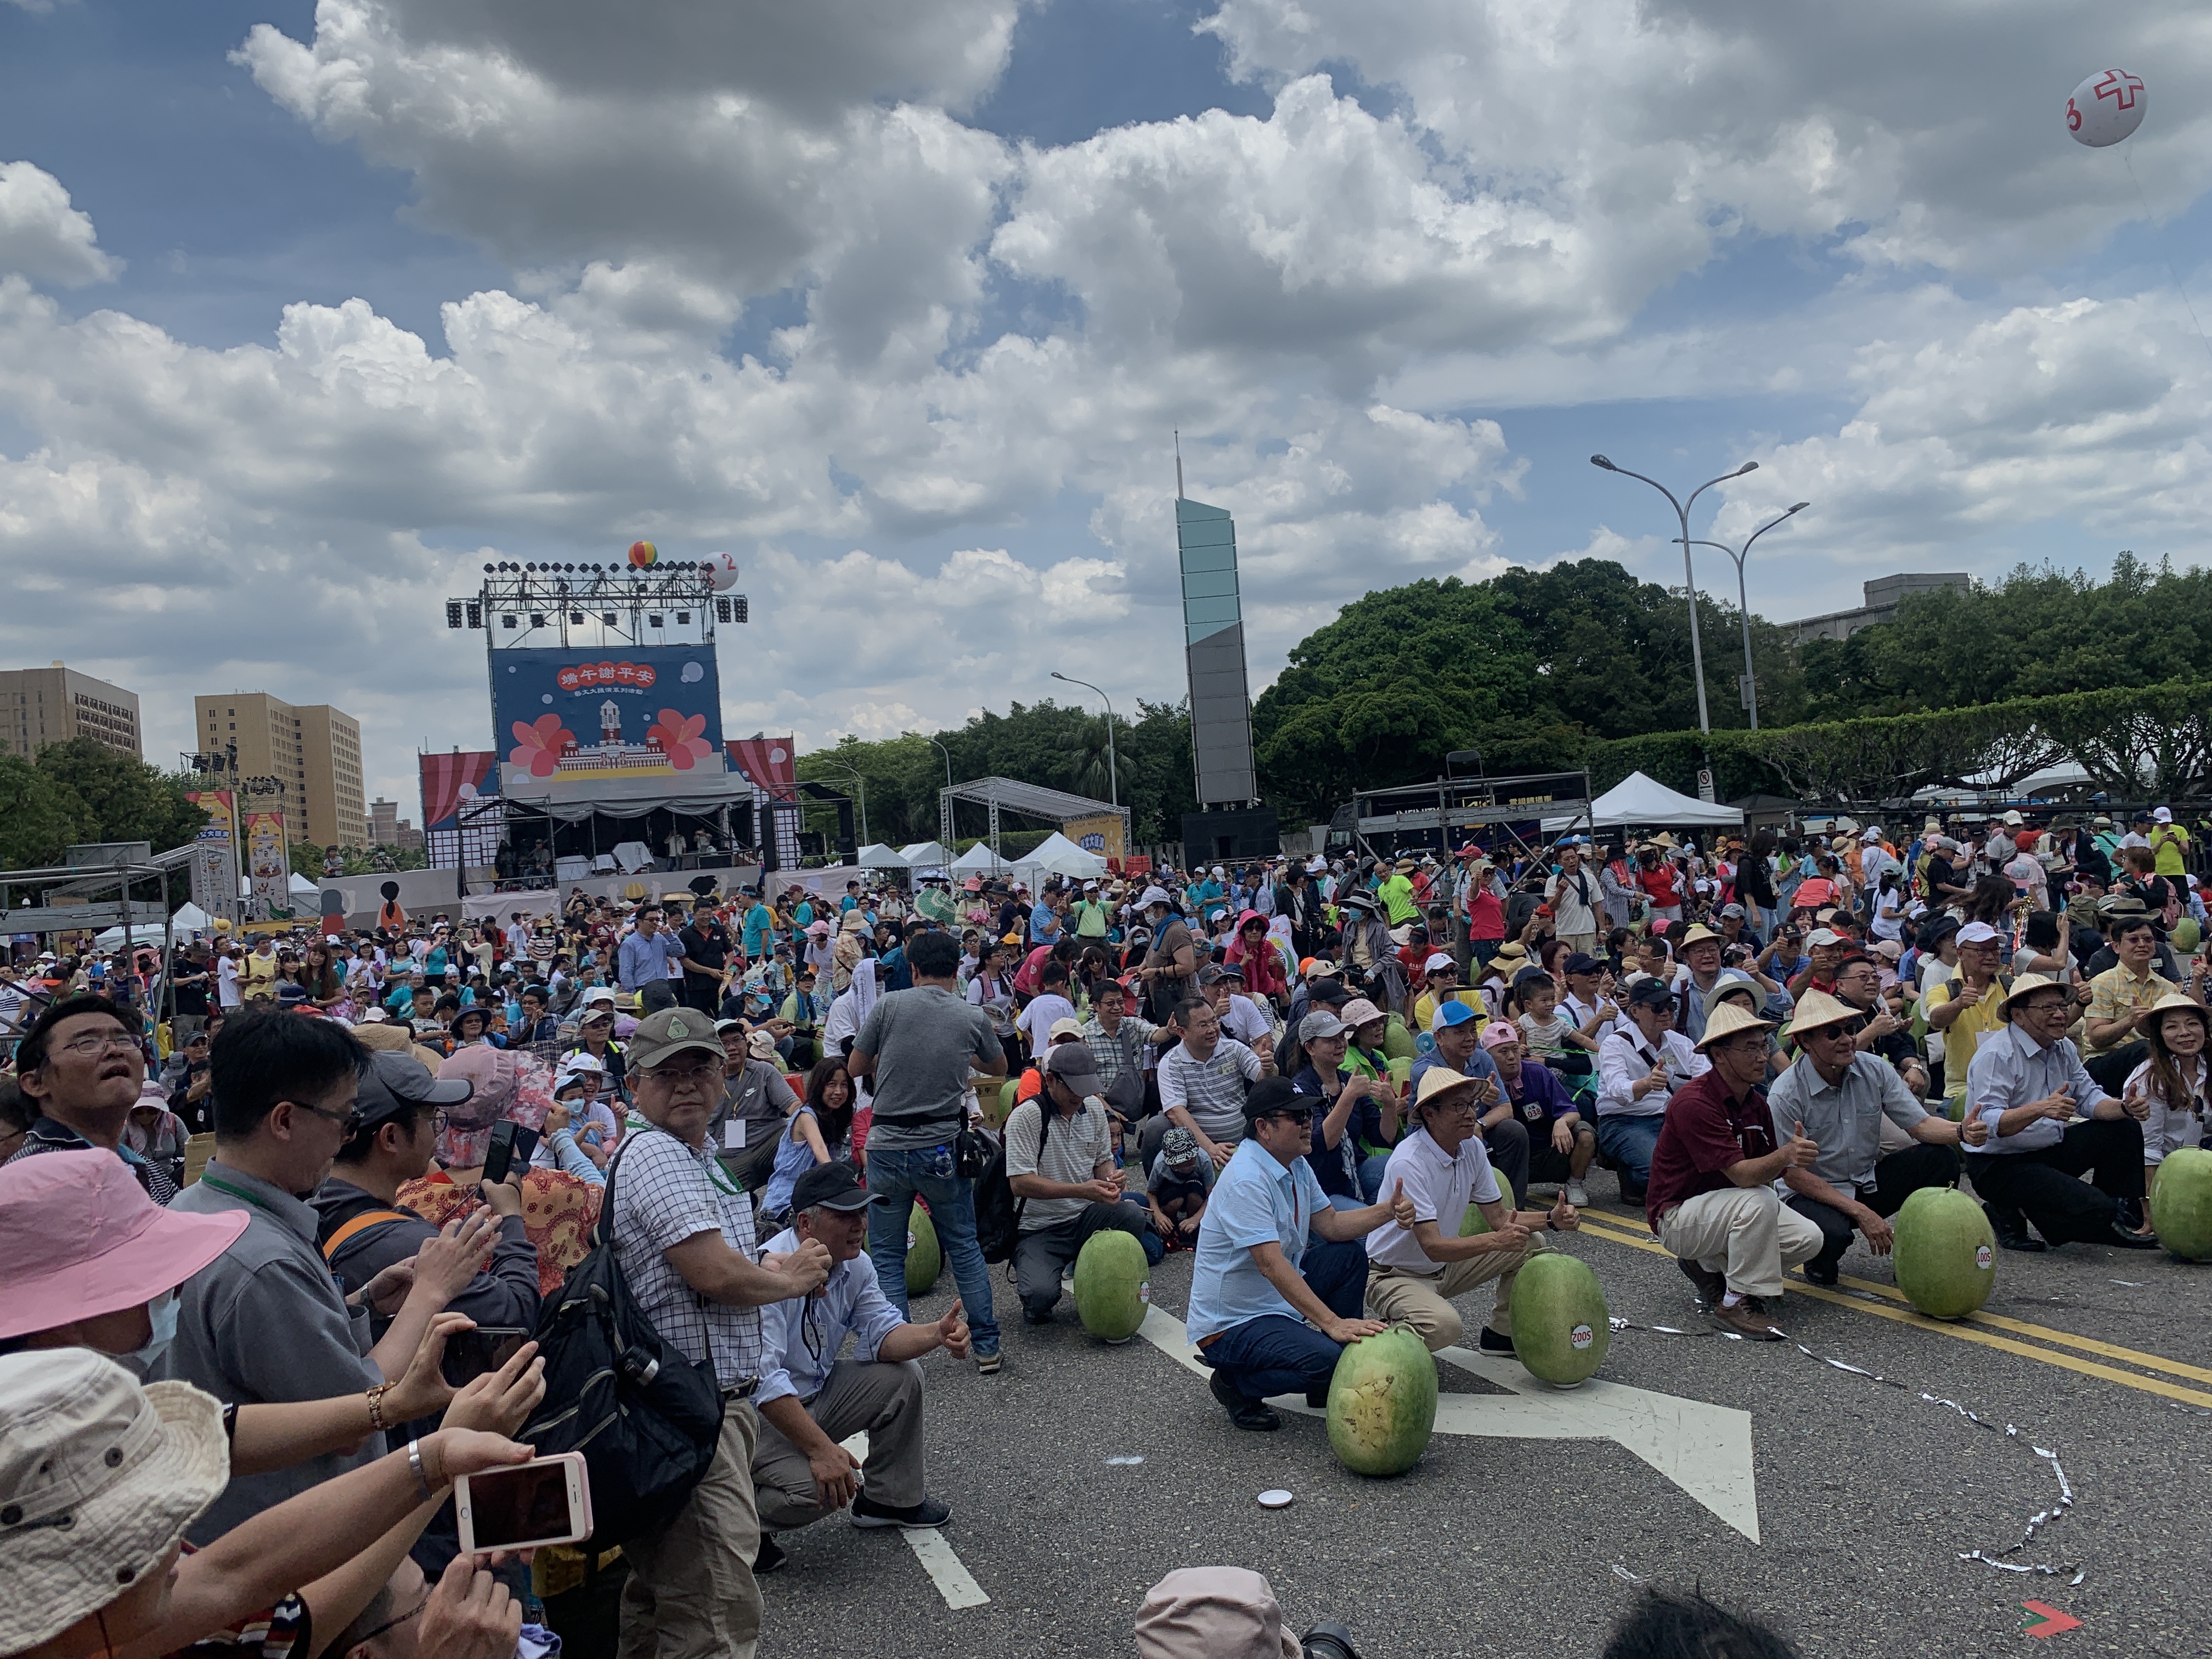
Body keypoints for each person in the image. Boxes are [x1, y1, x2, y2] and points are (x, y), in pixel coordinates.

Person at [160, 1014, 499, 1541]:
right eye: (342, 1120)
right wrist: (431, 1293)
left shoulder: (194, 1206)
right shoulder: (262, 1261)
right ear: (284, 1121)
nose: (345, 1138)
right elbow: (353, 1414)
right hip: (290, 1547)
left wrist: (363, 1300)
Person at [0, 1346, 538, 1659]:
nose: (186, 1539)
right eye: (157, 1527)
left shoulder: (93, 1629)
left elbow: (234, 1575)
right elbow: (247, 1587)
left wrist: (435, 1460)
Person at [604, 1005, 832, 1659]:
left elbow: (722, 1260)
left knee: (663, 1598)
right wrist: (787, 1282)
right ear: (634, 1088)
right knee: (716, 1616)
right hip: (692, 1411)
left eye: (700, 1067)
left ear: (724, 1076)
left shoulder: (696, 1154)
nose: (686, 1084)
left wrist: (769, 1264)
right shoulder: (656, 1153)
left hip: (689, 1406)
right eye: (665, 1072)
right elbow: (710, 1273)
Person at [750, 1163, 968, 1571]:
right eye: (846, 1215)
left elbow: (884, 1334)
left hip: (814, 1395)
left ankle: (888, 1500)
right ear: (805, 1224)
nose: (860, 1225)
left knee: (903, 1378)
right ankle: (739, 1524)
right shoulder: (767, 1275)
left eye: (863, 1214)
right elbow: (765, 1384)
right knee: (822, 1490)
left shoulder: (855, 1265)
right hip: (760, 1419)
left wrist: (935, 1335)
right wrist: (822, 1451)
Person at [1186, 1078, 1417, 1431]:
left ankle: (1323, 1378)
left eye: (1308, 1112)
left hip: (1272, 1304)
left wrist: (1388, 1210)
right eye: (1296, 1116)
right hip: (1232, 1325)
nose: (1308, 1122)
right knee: (1330, 1360)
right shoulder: (1247, 1179)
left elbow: (1332, 1225)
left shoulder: (1293, 1163)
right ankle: (1236, 1386)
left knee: (1347, 1257)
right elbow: (1271, 1265)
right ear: (1263, 1127)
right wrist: (1332, 1324)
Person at [847, 929, 1007, 1373]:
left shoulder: (889, 1006)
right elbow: (999, 1067)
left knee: (888, 1252)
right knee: (964, 1247)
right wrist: (963, 1058)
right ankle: (988, 1347)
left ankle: (900, 1351)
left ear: (912, 969)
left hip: (885, 1146)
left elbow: (855, 1067)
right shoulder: (970, 1015)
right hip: (940, 1147)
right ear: (958, 969)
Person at [1765, 990, 1987, 1286]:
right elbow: (1793, 1177)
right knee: (1831, 1234)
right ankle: (1819, 1260)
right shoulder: (1785, 1093)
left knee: (1939, 1158)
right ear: (1805, 1042)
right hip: (1814, 1193)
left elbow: (1920, 1125)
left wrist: (1960, 1132)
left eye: (1851, 1029)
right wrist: (1861, 1212)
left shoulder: (1875, 1069)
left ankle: (1923, 1254)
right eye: (1833, 1033)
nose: (1847, 1040)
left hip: (1865, 1180)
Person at [1364, 1066, 1577, 1356]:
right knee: (1444, 1328)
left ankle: (1500, 1335)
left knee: (1530, 1243)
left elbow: (1500, 1219)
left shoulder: (1472, 1147)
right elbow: (1433, 1247)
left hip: (1442, 1269)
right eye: (1458, 1106)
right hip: (1394, 1275)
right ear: (1430, 1114)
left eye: (1472, 1104)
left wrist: (1552, 1219)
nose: (1470, 1114)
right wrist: (1494, 1241)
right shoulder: (1410, 1162)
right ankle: (1371, 1344)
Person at [1645, 1002, 1824, 1339]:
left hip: (1724, 1210)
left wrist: (1789, 1159)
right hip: (1679, 1215)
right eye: (1751, 1048)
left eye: (1764, 1046)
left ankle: (1711, 1267)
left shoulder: (1757, 1103)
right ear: (1720, 1055)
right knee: (1758, 1200)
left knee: (1809, 1238)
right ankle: (1735, 1301)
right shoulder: (1694, 1102)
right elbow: (1744, 1175)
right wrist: (1787, 1153)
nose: (1762, 1057)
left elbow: (1771, 1171)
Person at [1963, 973, 2158, 1253]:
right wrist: (2040, 1108)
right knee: (2093, 1210)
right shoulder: (1997, 1055)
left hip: (2046, 1152)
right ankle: (2013, 1207)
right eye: (2048, 1009)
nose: (2059, 1015)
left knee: (2123, 1127)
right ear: (2019, 1016)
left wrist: (2125, 1107)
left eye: (2062, 1007)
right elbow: (1988, 1124)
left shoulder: (2063, 1047)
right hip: (2000, 1164)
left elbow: (2089, 1097)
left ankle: (2113, 1212)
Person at [1005, 1042, 1163, 1325]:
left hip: (1085, 1216)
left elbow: (1103, 1161)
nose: (1081, 1096)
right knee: (1040, 1298)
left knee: (1130, 1214)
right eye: (1074, 1088)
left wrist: (1111, 1178)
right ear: (1051, 1080)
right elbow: (1020, 1183)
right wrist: (1082, 1190)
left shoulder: (1092, 1109)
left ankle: (1088, 1268)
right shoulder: (1026, 1117)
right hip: (1039, 1228)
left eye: (1087, 1087)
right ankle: (1036, 1272)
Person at [5, 995, 178, 1203]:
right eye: (87, 1043)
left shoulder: (147, 1170)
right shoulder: (29, 1185)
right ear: (36, 1083)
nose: (114, 1051)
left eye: (124, 1040)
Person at [1595, 977, 1708, 1205]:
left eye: (1670, 1006)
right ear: (1635, 1010)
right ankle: (1632, 1170)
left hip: (1671, 1120)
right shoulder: (1615, 1044)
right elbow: (1617, 1090)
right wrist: (1646, 1084)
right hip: (1625, 1121)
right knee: (1664, 1171)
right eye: (1657, 1008)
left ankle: (1633, 1174)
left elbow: (1706, 1079)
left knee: (1707, 1161)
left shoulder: (1681, 1043)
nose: (1666, 1013)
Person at [1480, 1022, 1596, 1207]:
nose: (1512, 1057)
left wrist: (1562, 1123)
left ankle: (1574, 1184)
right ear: (1487, 1057)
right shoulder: (1480, 1080)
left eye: (1515, 1049)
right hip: (1505, 1157)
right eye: (1503, 1052)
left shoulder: (1538, 1072)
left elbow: (1572, 1112)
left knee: (1585, 1134)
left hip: (1547, 1151)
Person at [1289, 1009, 1397, 1209]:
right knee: (1373, 1228)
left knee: (1403, 1167)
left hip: (1355, 1172)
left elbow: (1383, 1137)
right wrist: (1348, 1097)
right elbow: (1324, 1142)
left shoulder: (1347, 1080)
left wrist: (1390, 1105)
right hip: (1322, 1187)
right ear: (1310, 1048)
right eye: (1331, 1040)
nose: (1341, 1044)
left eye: (1342, 1037)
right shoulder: (1301, 1089)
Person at [1153, 997, 1266, 1173]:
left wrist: (1269, 1067)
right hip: (1199, 1145)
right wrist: (1210, 1148)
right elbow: (1176, 1112)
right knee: (1156, 1127)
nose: (1212, 1030)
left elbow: (1263, 1078)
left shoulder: (1234, 1048)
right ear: (1182, 1032)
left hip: (1245, 1137)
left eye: (1214, 1021)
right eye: (1203, 1025)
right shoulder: (1171, 1063)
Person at [2126, 993, 2209, 1195]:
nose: (2185, 1033)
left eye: (2193, 1024)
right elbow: (2149, 1150)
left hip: (2203, 1163)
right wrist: (2153, 1205)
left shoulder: (2208, 1066)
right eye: (2172, 1027)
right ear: (2160, 1036)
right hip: (2166, 1173)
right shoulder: (2149, 1078)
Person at [710, 1025, 800, 1194]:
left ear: (746, 1043)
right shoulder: (706, 1080)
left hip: (768, 1144)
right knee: (721, 1193)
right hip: (729, 1158)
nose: (731, 1048)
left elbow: (793, 1106)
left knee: (798, 1131)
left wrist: (810, 1122)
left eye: (737, 1040)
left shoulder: (764, 1071)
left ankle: (791, 1201)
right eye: (724, 1043)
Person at [1146, 1125, 1212, 1250]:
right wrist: (1158, 1215)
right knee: (1174, 1201)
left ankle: (1192, 1228)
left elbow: (1212, 1195)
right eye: (1179, 1165)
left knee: (1195, 1196)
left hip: (1195, 1187)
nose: (1185, 1168)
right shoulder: (1160, 1164)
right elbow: (1151, 1193)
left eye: (1189, 1163)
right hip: (1171, 1190)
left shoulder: (1204, 1161)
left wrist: (1196, 1218)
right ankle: (1170, 1226)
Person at [618, 906, 688, 1014]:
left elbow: (679, 952)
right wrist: (632, 997)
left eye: (657, 920)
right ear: (640, 922)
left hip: (663, 989)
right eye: (651, 920)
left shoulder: (661, 939)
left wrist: (670, 935)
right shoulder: (629, 944)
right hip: (642, 991)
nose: (655, 923)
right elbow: (626, 972)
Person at [1545, 840, 1601, 956]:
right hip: (1565, 932)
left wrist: (1602, 930)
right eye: (1567, 859)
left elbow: (1598, 906)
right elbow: (1551, 908)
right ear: (1560, 862)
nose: (1572, 861)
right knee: (1566, 965)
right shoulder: (1553, 881)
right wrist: (1560, 892)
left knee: (1588, 965)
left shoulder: (1590, 878)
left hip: (1588, 930)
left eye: (1574, 857)